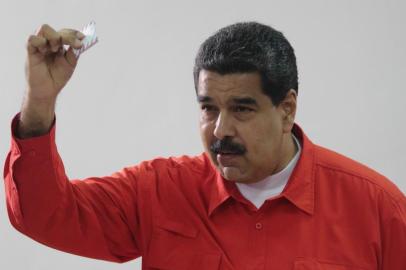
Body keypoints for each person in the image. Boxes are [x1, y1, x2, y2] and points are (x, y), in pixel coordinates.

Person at [3, 21, 406, 270]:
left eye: (242, 109)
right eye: (208, 108)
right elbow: (43, 216)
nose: (220, 130)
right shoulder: (158, 193)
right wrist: (40, 103)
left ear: (286, 109)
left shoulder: (376, 208)